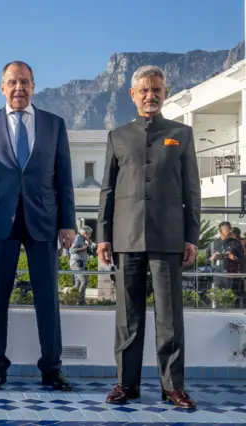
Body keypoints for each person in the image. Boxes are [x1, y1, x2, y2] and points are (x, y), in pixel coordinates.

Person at [0, 61, 76, 391]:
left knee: (48, 298)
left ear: (34, 86)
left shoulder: (54, 124)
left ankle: (51, 367)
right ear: (2, 87)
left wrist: (67, 223)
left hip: (43, 221)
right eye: (13, 82)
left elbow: (64, 179)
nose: (19, 88)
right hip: (0, 223)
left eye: (25, 82)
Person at [97, 65, 200, 409]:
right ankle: (127, 385)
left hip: (169, 238)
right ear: (133, 95)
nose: (150, 95)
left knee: (170, 317)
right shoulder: (118, 136)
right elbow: (107, 190)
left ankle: (173, 387)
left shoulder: (181, 134)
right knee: (128, 318)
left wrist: (192, 237)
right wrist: (103, 236)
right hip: (126, 238)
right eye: (144, 90)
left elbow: (192, 189)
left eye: (156, 89)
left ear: (164, 92)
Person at [69, 226, 93, 305]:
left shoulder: (83, 239)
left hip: (80, 263)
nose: (90, 236)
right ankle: (81, 301)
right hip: (76, 262)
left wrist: (89, 246)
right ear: (85, 233)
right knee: (84, 281)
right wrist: (82, 248)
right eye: (89, 234)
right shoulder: (78, 238)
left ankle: (70, 299)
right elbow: (71, 250)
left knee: (78, 283)